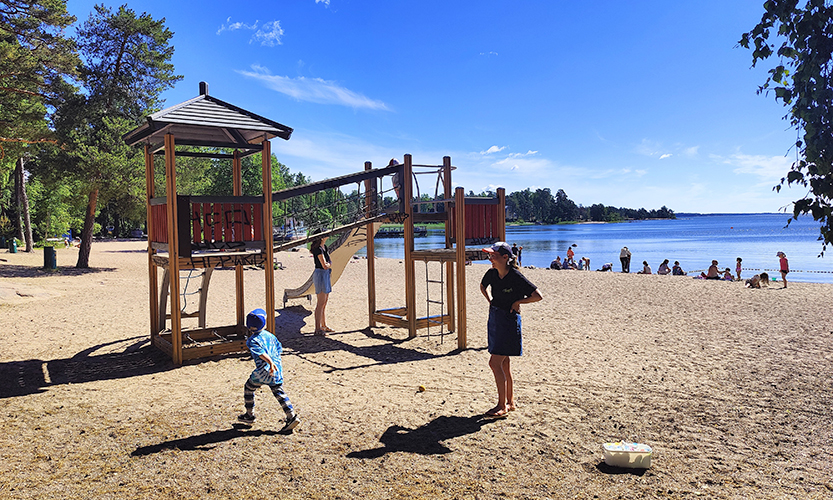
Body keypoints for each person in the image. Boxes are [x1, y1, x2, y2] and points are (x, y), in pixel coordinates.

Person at [480, 242, 542, 419]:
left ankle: (502, 406)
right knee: (504, 363)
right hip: (495, 318)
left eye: (493, 256)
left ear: (505, 257)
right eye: (490, 256)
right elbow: (482, 286)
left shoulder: (515, 276)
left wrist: (518, 302)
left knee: (494, 363)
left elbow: (538, 296)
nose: (490, 259)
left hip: (509, 321)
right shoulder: (492, 273)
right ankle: (510, 402)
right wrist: (491, 301)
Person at [238, 308, 301, 432]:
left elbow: (261, 353)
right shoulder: (270, 336)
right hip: (276, 370)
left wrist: (270, 362)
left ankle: (249, 414)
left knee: (249, 387)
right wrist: (274, 362)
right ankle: (291, 416)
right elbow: (279, 348)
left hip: (263, 372)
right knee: (278, 392)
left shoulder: (252, 341)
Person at [311, 234, 333, 335]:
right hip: (320, 274)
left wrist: (329, 264)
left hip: (326, 274)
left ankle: (323, 325)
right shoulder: (318, 249)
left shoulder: (324, 247)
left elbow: (329, 262)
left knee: (324, 302)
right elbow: (324, 265)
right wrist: (329, 264)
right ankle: (317, 328)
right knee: (320, 303)